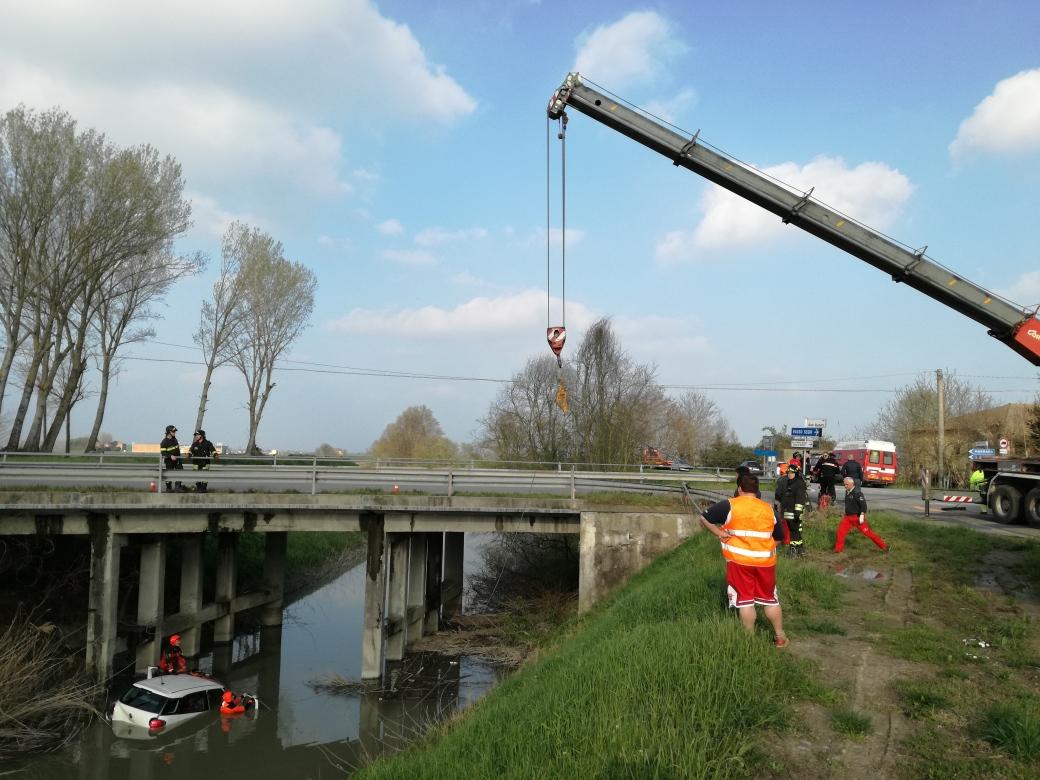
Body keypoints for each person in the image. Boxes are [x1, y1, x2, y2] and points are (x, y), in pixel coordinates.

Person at [699, 472, 788, 647]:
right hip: (765, 563)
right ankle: (780, 637)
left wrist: (719, 533)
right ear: (757, 490)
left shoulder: (730, 505)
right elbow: (779, 537)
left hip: (739, 563)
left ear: (739, 489)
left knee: (746, 601)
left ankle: (749, 640)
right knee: (770, 599)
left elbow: (704, 517)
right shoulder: (768, 509)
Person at [834, 477, 888, 552]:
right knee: (840, 532)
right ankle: (838, 550)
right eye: (844, 484)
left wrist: (862, 516)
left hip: (857, 518)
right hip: (847, 518)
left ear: (852, 484)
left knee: (868, 533)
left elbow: (863, 506)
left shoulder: (858, 493)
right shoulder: (847, 492)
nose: (845, 486)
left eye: (847, 484)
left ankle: (884, 546)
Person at [777, 459, 808, 556]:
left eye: (792, 473)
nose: (789, 474)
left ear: (796, 473)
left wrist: (797, 512)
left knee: (794, 531)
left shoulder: (798, 483)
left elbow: (800, 499)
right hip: (788, 512)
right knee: (795, 531)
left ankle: (793, 551)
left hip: (795, 513)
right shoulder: (789, 482)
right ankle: (800, 549)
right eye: (788, 473)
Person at [160, 425, 185, 492]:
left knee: (179, 472)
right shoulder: (164, 442)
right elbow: (163, 453)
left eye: (175, 431)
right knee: (169, 475)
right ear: (169, 432)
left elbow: (177, 450)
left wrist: (179, 459)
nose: (174, 433)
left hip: (177, 460)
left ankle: (178, 487)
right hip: (169, 461)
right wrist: (170, 456)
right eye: (173, 431)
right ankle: (168, 488)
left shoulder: (175, 439)